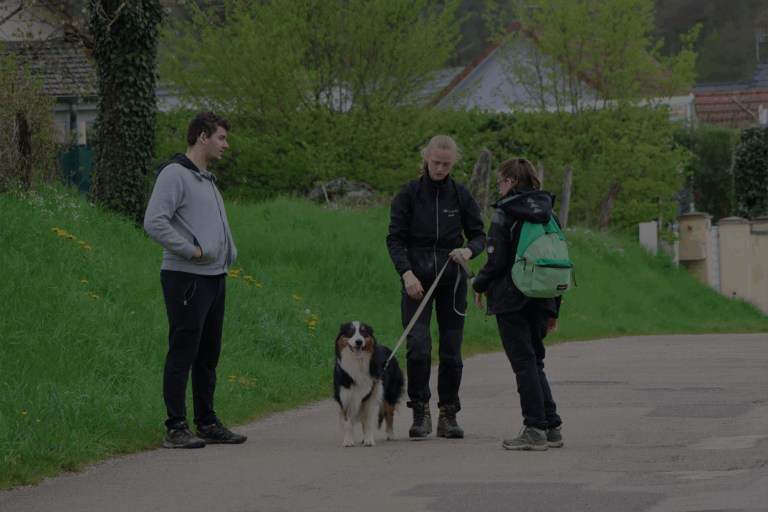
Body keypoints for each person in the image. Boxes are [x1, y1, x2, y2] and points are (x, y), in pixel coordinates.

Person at [144, 111, 247, 449]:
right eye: (221, 137)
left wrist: (225, 254)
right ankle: (176, 427)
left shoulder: (206, 178)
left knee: (208, 355)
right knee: (184, 351)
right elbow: (154, 222)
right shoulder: (175, 174)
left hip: (215, 278)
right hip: (186, 278)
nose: (226, 145)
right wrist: (191, 251)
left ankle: (206, 422)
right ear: (203, 136)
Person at [386, 135, 487, 439]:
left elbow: (479, 236)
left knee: (451, 350)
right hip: (416, 281)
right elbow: (394, 239)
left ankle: (448, 413)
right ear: (426, 157)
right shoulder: (409, 194)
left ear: (453, 162)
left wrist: (469, 251)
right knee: (418, 347)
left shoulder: (461, 195)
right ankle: (420, 410)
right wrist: (406, 274)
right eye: (436, 162)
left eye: (447, 163)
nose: (441, 168)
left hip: (451, 281)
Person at [472, 157, 563, 451]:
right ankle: (552, 428)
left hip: (512, 300)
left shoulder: (505, 214)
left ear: (510, 182)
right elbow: (558, 261)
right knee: (535, 363)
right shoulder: (550, 215)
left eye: (499, 181)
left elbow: (495, 260)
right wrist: (555, 307)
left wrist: (478, 285)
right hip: (543, 297)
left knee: (524, 365)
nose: (499, 187)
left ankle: (534, 429)